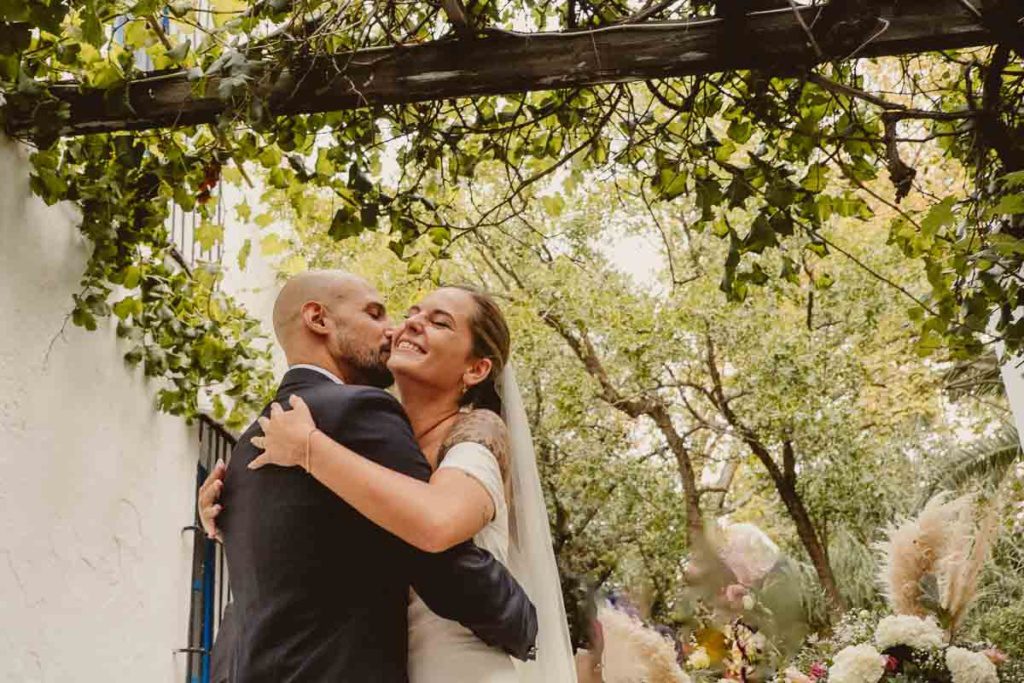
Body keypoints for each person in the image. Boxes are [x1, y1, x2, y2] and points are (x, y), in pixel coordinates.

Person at [201, 281, 576, 681]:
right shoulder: (366, 431)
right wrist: (235, 516)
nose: (409, 324)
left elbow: (436, 526)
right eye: (411, 313)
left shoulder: (475, 434)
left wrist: (309, 447)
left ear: (476, 368)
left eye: (439, 322)